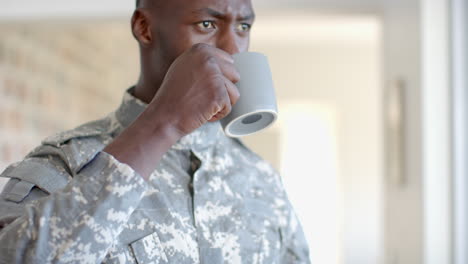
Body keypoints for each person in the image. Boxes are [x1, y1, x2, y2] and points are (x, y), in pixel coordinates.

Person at [0, 0, 310, 263]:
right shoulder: (64, 164)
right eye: (206, 24)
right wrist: (164, 122)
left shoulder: (262, 180)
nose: (232, 48)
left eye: (243, 27)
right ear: (145, 28)